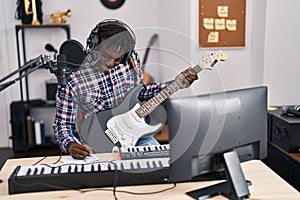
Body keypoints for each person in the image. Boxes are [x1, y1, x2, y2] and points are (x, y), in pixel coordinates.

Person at [53, 19, 198, 159]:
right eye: (105, 56)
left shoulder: (131, 60)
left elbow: (140, 93)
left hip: (136, 135)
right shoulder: (73, 75)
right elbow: (62, 123)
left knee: (160, 168)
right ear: (93, 45)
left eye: (117, 60)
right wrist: (70, 145)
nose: (110, 64)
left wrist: (176, 83)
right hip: (98, 141)